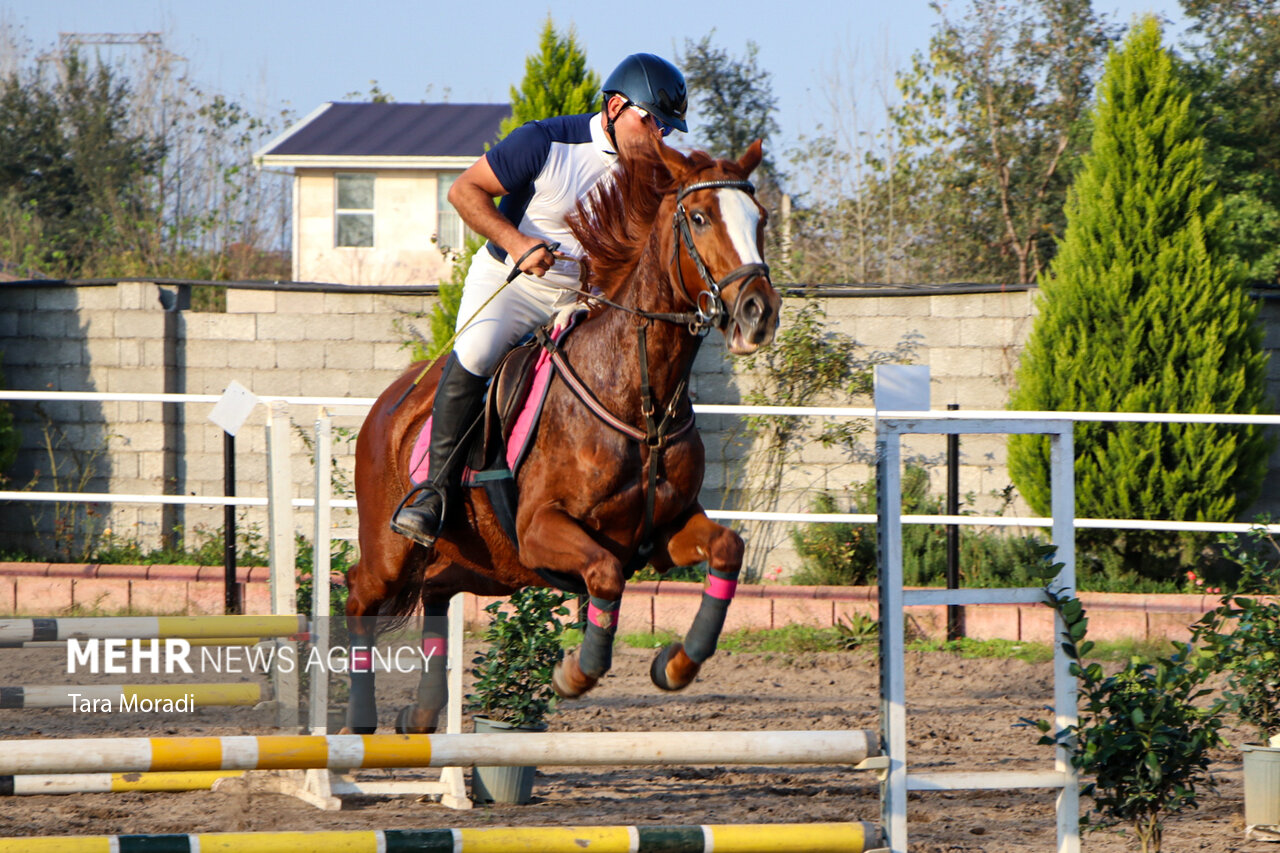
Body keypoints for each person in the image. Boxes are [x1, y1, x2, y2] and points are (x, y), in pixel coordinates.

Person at [390, 52, 689, 547]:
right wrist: (517, 243)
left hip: (588, 299)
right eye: (653, 121)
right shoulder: (545, 140)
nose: (661, 136)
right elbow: (465, 192)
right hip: (516, 282)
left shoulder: (653, 172)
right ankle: (431, 491)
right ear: (615, 107)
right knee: (481, 352)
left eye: (669, 129)